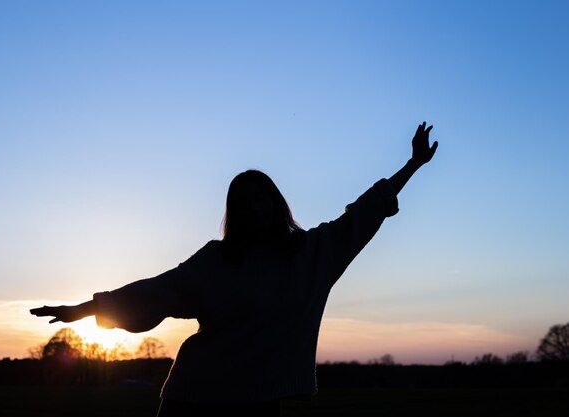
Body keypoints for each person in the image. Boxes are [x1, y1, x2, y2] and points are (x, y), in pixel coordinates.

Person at [30, 122, 438, 416]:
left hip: (260, 403)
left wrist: (414, 164)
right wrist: (81, 310)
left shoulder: (312, 254)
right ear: (235, 213)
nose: (254, 206)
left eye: (261, 197)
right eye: (244, 201)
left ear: (276, 203)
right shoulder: (217, 260)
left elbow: (364, 213)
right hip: (194, 400)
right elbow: (154, 293)